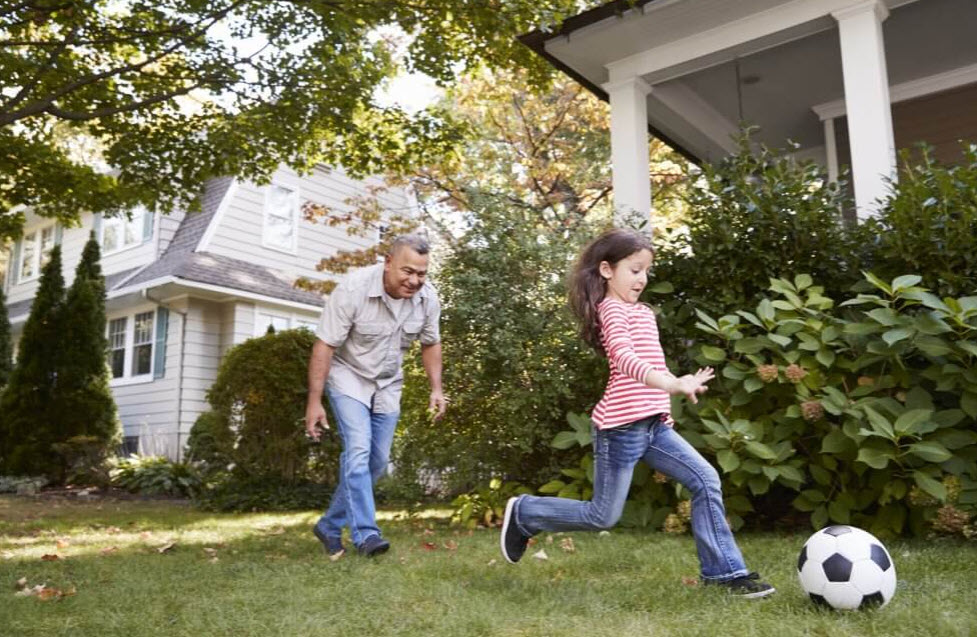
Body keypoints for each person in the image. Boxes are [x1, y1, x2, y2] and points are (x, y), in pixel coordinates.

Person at [499, 228, 775, 598]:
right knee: (603, 516)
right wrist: (671, 384)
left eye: (647, 271)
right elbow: (625, 359)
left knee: (705, 480)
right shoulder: (610, 310)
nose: (642, 278)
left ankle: (726, 574)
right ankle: (525, 513)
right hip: (620, 429)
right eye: (634, 269)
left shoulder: (642, 312)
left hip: (653, 426)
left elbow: (649, 360)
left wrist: (671, 397)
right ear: (607, 270)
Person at [306, 233, 446, 558]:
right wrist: (314, 401)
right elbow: (325, 345)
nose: (414, 281)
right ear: (388, 262)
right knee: (357, 450)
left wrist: (436, 388)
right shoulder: (353, 291)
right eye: (407, 271)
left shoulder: (428, 300)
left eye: (421, 274)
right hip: (348, 377)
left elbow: (430, 342)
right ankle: (366, 535)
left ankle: (329, 525)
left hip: (387, 382)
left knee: (377, 461)